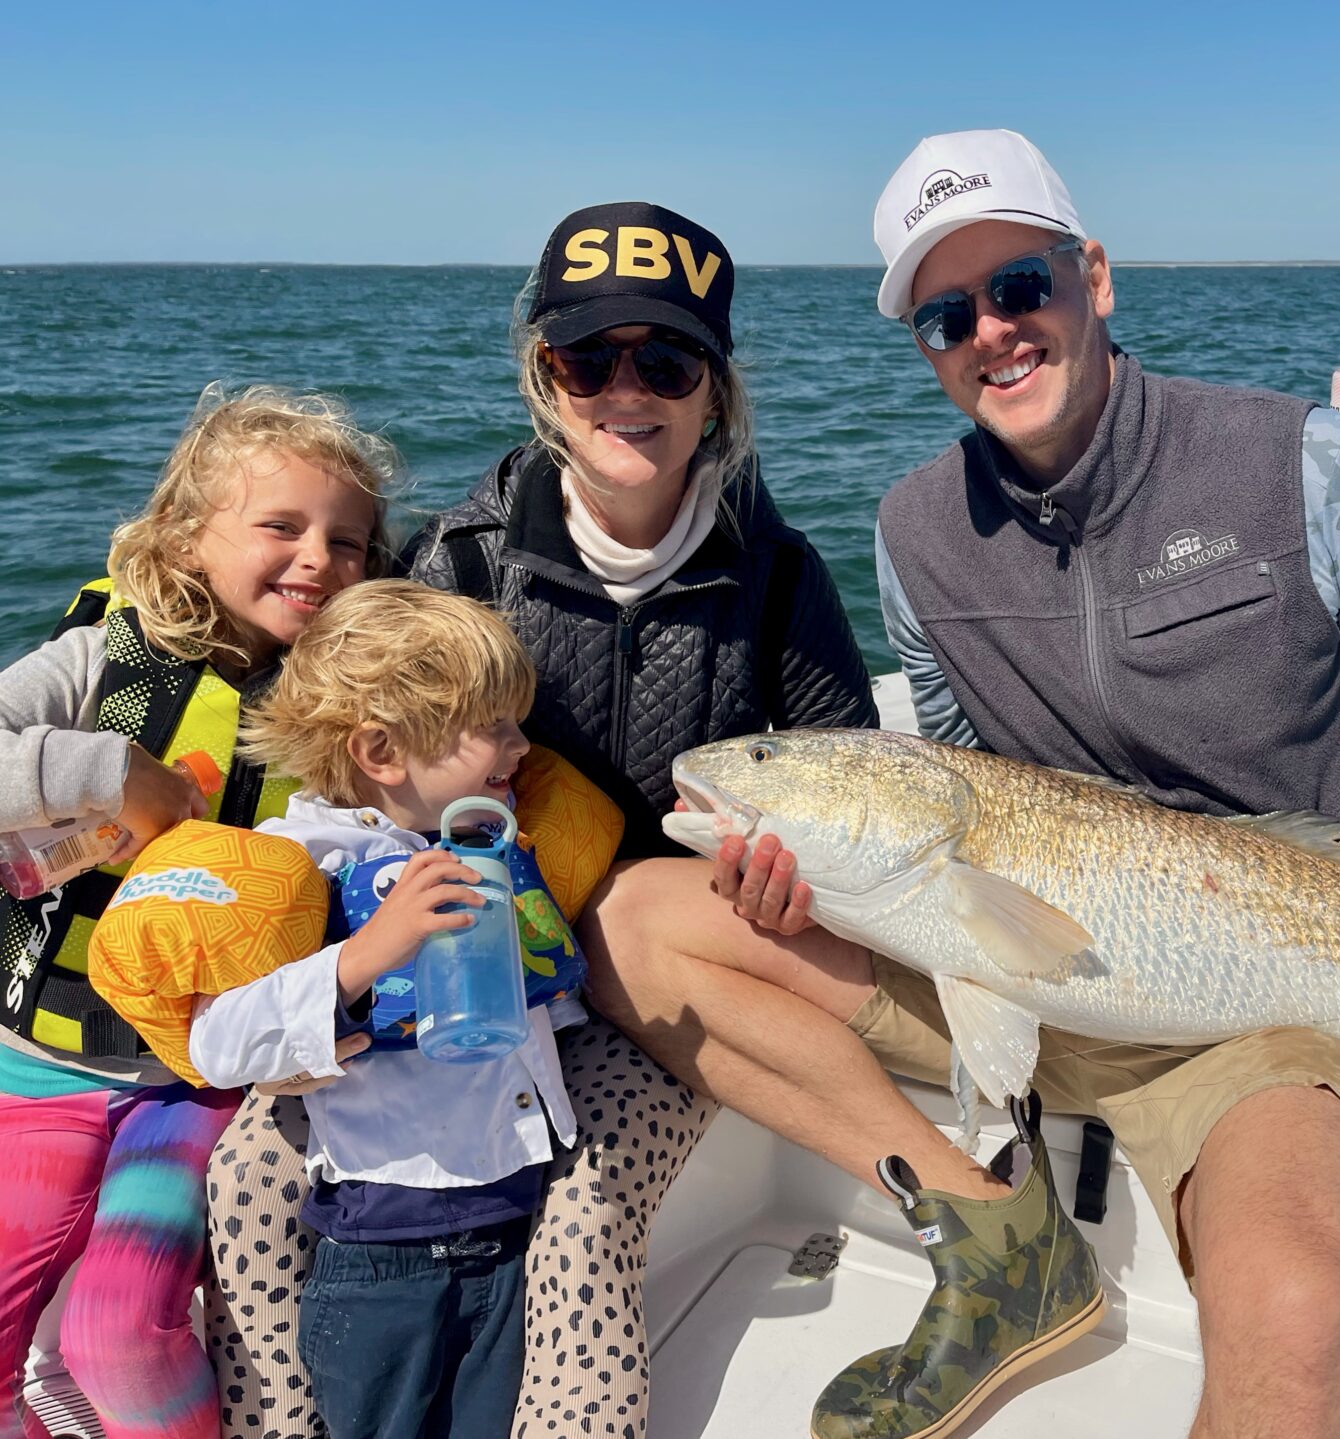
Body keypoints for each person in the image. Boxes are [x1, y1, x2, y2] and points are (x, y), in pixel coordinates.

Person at [584, 130, 1340, 1439]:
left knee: (1298, 1331)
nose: (991, 330)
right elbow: (964, 773)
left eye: (1020, 284)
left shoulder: (1309, 461)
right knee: (636, 919)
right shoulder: (914, 530)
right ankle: (997, 1234)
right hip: (1016, 950)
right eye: (945, 312)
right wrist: (805, 870)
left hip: (1273, 996)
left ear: (1092, 276)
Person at [201, 201, 879, 1438]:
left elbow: (854, 789)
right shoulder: (456, 562)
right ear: (543, 378)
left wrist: (796, 882)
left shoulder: (779, 578)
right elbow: (361, 772)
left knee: (582, 1216)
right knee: (246, 1180)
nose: (627, 391)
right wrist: (347, 982)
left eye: (665, 360)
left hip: (642, 988)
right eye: (587, 358)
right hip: (433, 965)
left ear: (716, 393)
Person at [0, 385, 390, 1439]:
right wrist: (105, 767)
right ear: (183, 533)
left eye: (347, 540)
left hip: (203, 1074)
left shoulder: (340, 708)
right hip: (32, 1066)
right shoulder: (94, 664)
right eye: (282, 525)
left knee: (118, 1331)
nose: (319, 557)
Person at [190, 581, 580, 1439]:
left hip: (516, 1225)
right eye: (497, 728)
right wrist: (367, 953)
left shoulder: (486, 842)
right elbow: (216, 1042)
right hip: (384, 1249)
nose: (524, 745)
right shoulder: (297, 868)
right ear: (382, 749)